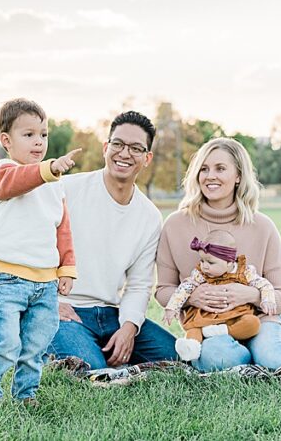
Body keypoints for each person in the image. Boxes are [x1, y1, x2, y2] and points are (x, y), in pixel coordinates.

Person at [156, 137, 281, 372]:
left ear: (238, 176)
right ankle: (250, 358)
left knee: (272, 357)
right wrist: (193, 297)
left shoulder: (263, 226)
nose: (210, 176)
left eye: (220, 168)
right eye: (203, 169)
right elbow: (163, 290)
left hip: (260, 321)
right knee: (218, 359)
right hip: (209, 327)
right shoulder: (175, 225)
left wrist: (250, 295)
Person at [45, 110, 177, 370]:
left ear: (147, 158)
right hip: (65, 310)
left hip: (111, 314)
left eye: (136, 148)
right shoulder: (66, 190)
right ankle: (49, 345)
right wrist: (49, 302)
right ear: (106, 147)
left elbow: (139, 285)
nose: (125, 153)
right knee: (93, 371)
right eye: (118, 144)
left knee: (178, 359)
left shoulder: (149, 216)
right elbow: (32, 249)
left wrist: (129, 328)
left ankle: (90, 347)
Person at [0, 98, 81, 409]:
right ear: (6, 140)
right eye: (29, 134)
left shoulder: (54, 184)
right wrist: (48, 169)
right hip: (9, 279)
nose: (39, 141)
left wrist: (67, 269)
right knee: (6, 342)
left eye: (43, 135)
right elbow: (17, 183)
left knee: (35, 344)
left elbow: (63, 229)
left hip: (45, 284)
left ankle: (26, 395)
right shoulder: (5, 171)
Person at [162, 229, 277, 361]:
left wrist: (268, 300)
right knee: (194, 328)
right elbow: (184, 288)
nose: (204, 266)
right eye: (202, 261)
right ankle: (191, 349)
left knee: (253, 324)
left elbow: (264, 284)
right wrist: (172, 307)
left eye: (210, 262)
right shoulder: (200, 274)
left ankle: (226, 331)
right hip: (207, 317)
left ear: (229, 262)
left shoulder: (244, 272)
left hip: (236, 316)